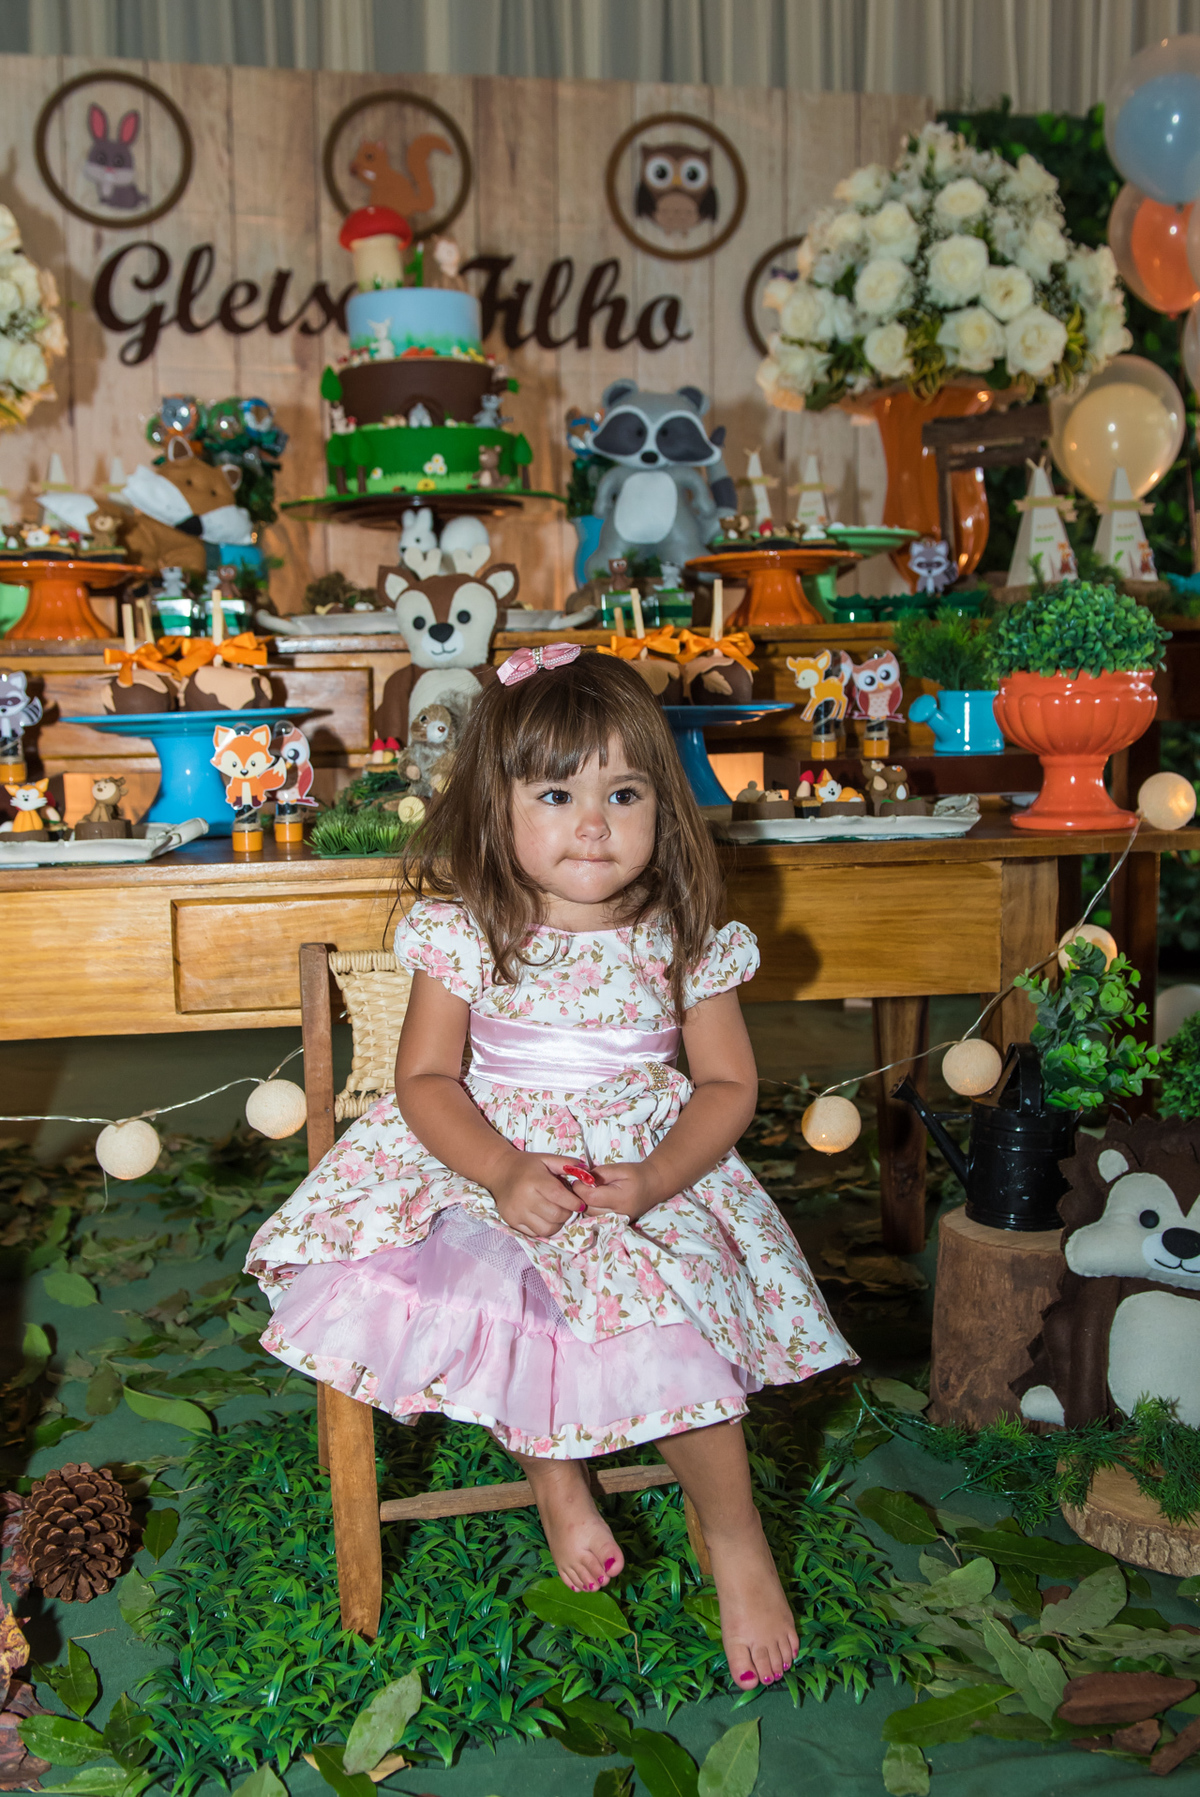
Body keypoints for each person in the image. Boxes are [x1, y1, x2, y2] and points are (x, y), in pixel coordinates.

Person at [246, 647, 854, 1689]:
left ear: (665, 807)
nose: (593, 823)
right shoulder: (470, 933)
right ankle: (556, 1477)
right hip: (489, 1162)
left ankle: (736, 1533)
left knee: (677, 1320)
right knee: (503, 1299)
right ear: (497, 808)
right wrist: (499, 1171)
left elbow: (727, 1090)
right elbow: (427, 1081)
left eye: (624, 792)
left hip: (645, 1169)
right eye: (557, 793)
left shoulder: (687, 940)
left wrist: (658, 1180)